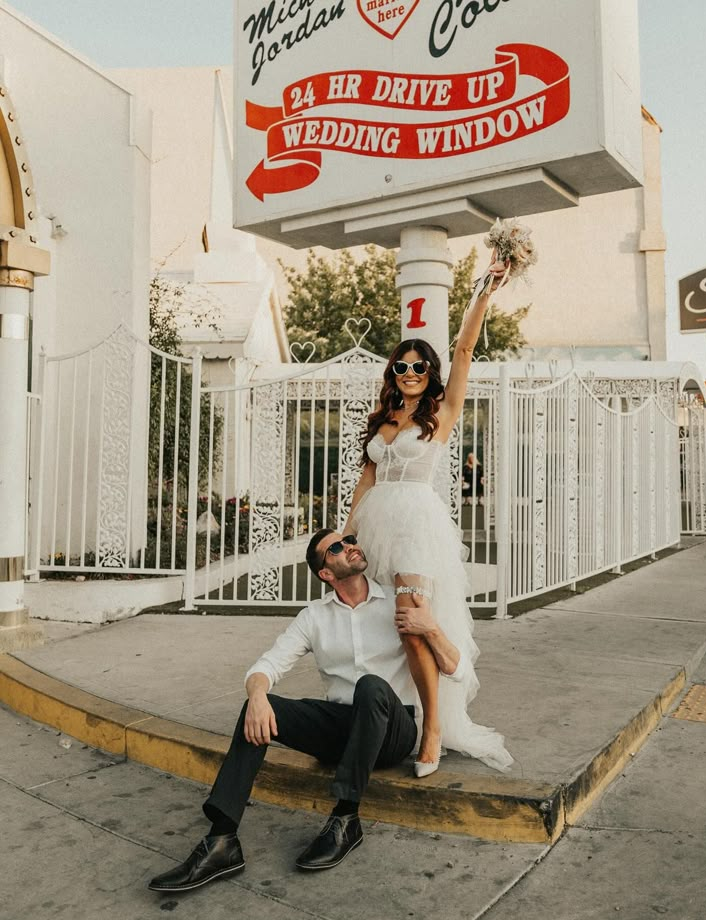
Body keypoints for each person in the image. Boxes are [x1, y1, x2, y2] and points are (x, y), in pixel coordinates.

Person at [148, 527, 465, 892]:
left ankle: (346, 819)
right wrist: (257, 696)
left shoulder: (399, 600)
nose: (350, 547)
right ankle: (222, 840)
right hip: (342, 730)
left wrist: (432, 628)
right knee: (260, 707)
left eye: (349, 541)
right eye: (336, 548)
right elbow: (266, 666)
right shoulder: (314, 616)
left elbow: (456, 669)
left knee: (371, 686)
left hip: (393, 729)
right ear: (325, 574)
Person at [343, 256, 514, 777]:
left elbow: (464, 350)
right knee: (384, 626)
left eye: (420, 366)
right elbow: (365, 481)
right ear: (393, 373)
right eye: (403, 366)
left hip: (416, 522)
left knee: (412, 620)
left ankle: (434, 727)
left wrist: (483, 292)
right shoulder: (383, 419)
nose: (412, 373)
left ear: (430, 374)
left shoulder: (439, 415)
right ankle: (394, 717)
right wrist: (345, 533)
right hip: (376, 521)